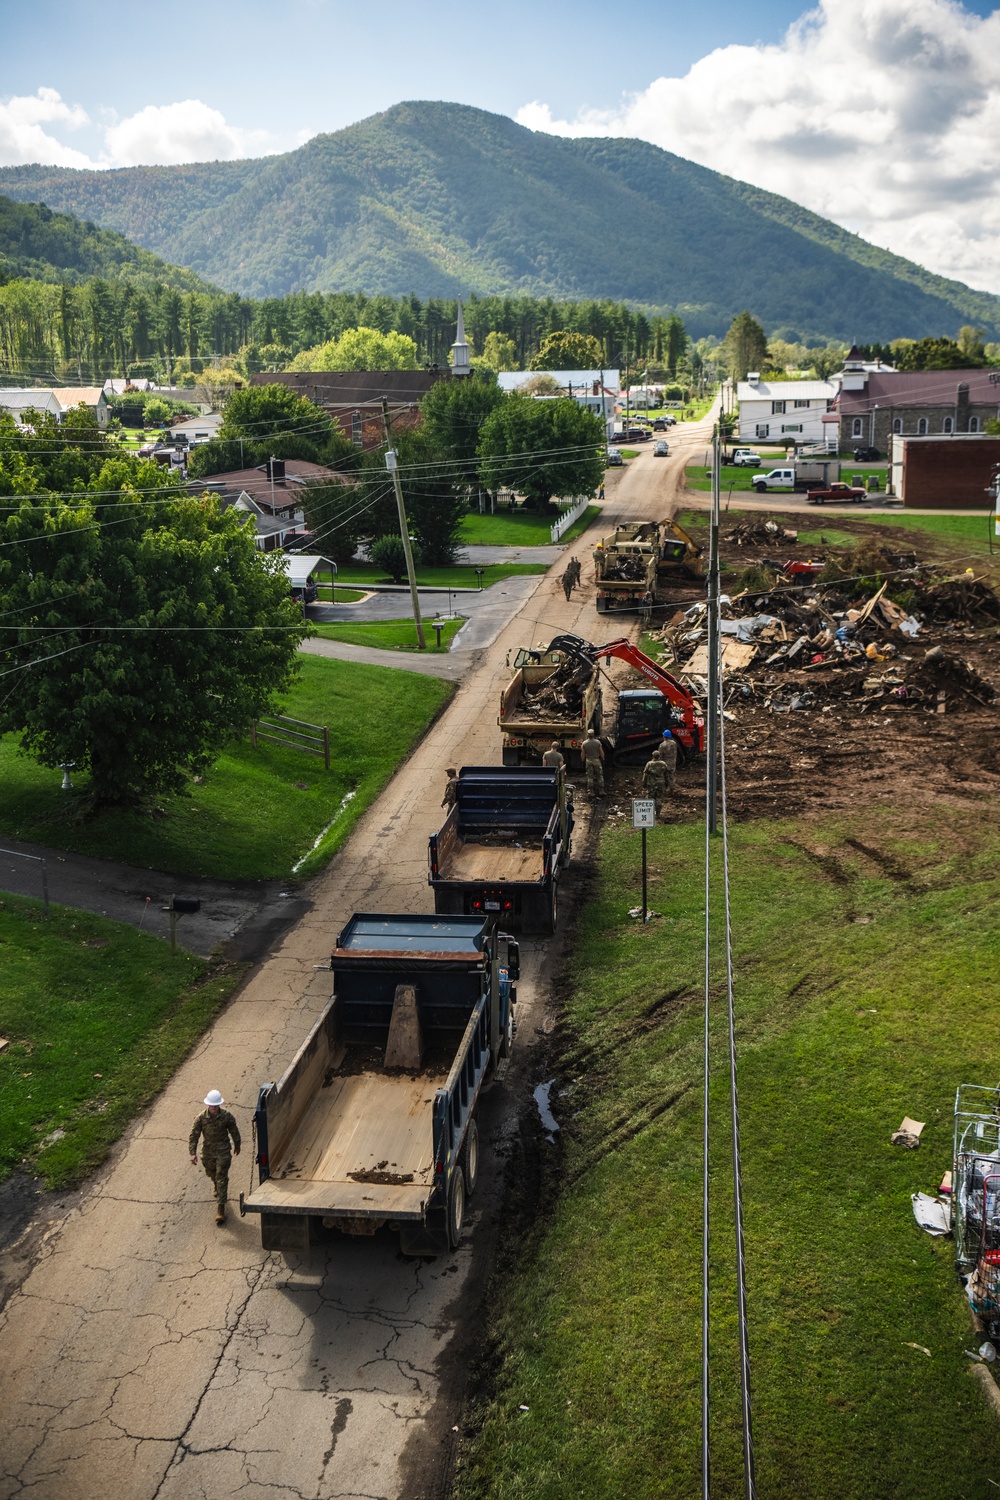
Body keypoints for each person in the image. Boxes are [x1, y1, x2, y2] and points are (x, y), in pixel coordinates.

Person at [189, 1090, 241, 1225]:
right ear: (208, 1105)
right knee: (212, 1173)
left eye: (216, 1105)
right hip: (208, 1152)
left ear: (219, 1105)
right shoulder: (200, 1118)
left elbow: (234, 1130)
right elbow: (194, 1135)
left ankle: (220, 1209)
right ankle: (216, 1185)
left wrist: (237, 1144)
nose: (213, 1108)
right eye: (211, 1106)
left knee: (222, 1177)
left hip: (223, 1151)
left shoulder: (227, 1116)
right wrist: (192, 1153)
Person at [642, 749, 669, 819]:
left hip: (651, 784)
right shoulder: (663, 764)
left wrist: (644, 783)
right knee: (659, 798)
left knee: (651, 798)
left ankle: (651, 813)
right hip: (661, 783)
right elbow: (666, 775)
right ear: (659, 756)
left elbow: (645, 774)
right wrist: (667, 783)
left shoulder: (649, 764)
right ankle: (658, 814)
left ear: (653, 756)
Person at [581, 729, 605, 797]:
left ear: (588, 735)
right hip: (596, 760)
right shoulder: (598, 742)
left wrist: (582, 761)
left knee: (590, 776)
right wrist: (603, 759)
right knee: (599, 775)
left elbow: (582, 754)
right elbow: (601, 752)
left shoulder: (584, 743)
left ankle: (591, 791)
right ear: (593, 735)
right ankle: (601, 790)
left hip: (588, 760)